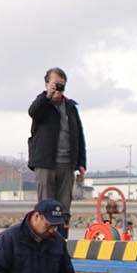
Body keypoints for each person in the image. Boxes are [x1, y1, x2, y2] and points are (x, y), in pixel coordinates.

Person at [28, 68, 87, 223]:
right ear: (46, 83)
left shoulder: (70, 107)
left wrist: (81, 162)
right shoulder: (42, 104)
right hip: (45, 162)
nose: (58, 88)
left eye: (61, 85)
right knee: (45, 207)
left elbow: (79, 135)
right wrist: (48, 95)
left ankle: (61, 236)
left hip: (67, 164)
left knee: (64, 208)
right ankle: (43, 237)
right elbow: (33, 112)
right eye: (55, 84)